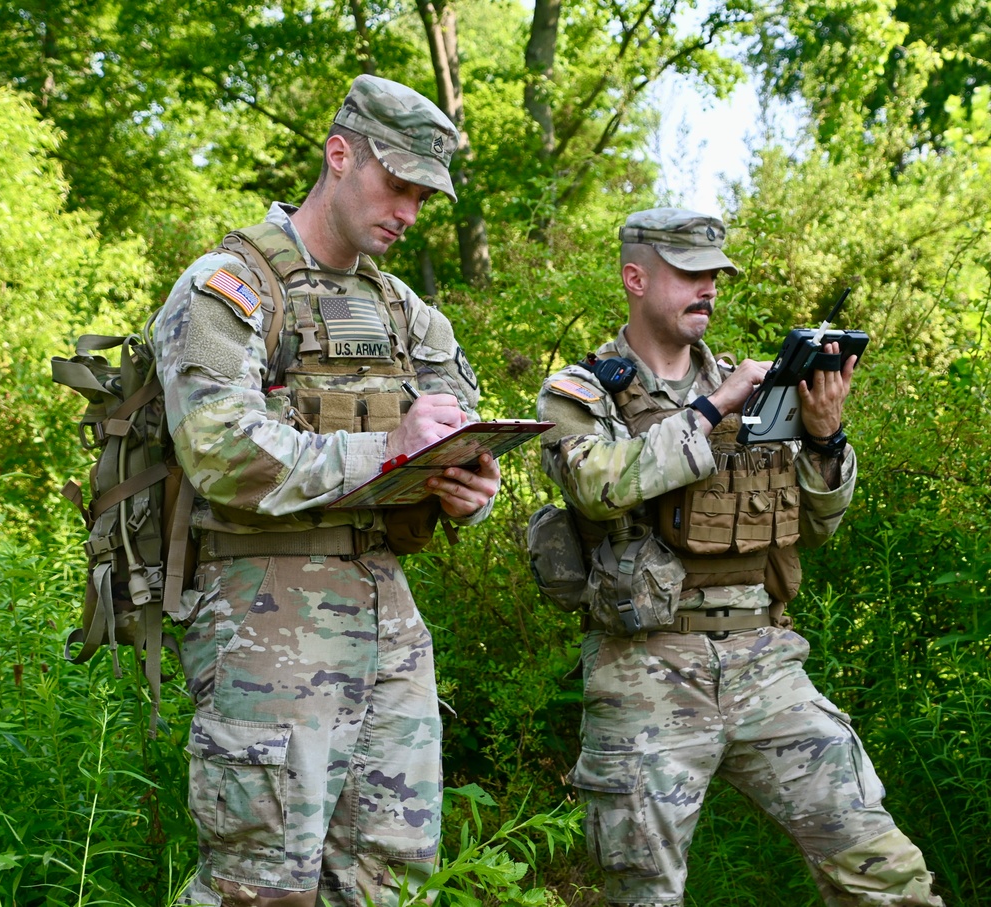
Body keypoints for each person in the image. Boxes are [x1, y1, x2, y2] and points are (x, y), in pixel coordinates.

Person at [153, 74, 500, 907]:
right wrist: (387, 449)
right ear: (340, 156)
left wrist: (466, 485)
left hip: (389, 620)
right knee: (260, 886)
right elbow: (218, 448)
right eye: (399, 185)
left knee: (392, 876)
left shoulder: (412, 316)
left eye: (425, 195)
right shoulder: (229, 289)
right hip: (265, 620)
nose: (410, 210)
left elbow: (462, 436)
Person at [535, 208, 943, 906]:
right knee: (644, 894)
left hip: (766, 664)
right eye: (690, 274)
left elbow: (816, 525)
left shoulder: (759, 388)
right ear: (635, 278)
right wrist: (709, 407)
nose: (709, 289)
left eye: (715, 275)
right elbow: (597, 484)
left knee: (887, 872)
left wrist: (823, 438)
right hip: (646, 671)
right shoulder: (583, 391)